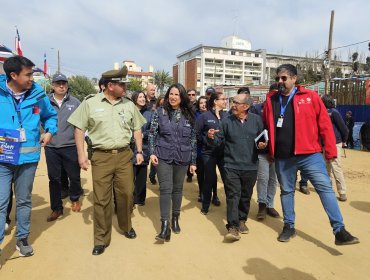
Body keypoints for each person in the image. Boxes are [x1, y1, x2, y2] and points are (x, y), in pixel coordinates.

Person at [262, 63, 359, 245]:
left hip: (310, 155)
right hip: (283, 157)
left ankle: (340, 230)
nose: (280, 81)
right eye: (277, 79)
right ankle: (289, 227)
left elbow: (325, 126)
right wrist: (268, 149)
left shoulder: (311, 97)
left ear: (294, 78)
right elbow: (266, 127)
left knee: (325, 189)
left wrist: (330, 151)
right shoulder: (271, 101)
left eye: (284, 78)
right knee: (287, 191)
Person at [68, 67, 146, 255]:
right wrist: (81, 155)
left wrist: (140, 150)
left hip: (124, 156)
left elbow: (137, 129)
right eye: (122, 84)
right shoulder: (90, 103)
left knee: (127, 194)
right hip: (101, 157)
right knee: (102, 199)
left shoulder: (128, 105)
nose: (125, 87)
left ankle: (126, 226)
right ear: (110, 86)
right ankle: (101, 238)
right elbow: (78, 129)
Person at [0, 56, 58, 257]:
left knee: (24, 201)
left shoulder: (38, 95)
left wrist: (50, 131)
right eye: (28, 74)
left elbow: (50, 116)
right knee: (1, 203)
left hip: (29, 160)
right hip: (3, 160)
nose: (32, 78)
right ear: (13, 75)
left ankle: (22, 239)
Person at [207, 94, 265, 241]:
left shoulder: (257, 120)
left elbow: (262, 139)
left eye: (236, 102)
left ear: (246, 106)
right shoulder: (226, 122)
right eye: (232, 102)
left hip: (250, 166)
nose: (232, 105)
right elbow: (218, 141)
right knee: (233, 195)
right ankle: (232, 227)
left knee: (246, 195)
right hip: (231, 165)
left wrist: (263, 145)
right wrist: (212, 136)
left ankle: (241, 219)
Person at [148, 83, 196, 242]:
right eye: (171, 94)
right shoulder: (160, 112)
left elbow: (193, 139)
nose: (173, 97)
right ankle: (164, 226)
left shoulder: (189, 114)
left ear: (182, 97)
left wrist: (193, 161)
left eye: (177, 94)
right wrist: (153, 152)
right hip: (163, 155)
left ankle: (175, 217)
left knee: (177, 189)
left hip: (182, 157)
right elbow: (152, 133)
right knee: (165, 189)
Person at [45, 73, 83, 222]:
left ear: (67, 85)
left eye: (64, 83)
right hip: (51, 147)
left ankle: (74, 198)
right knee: (53, 179)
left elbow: (81, 124)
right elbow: (39, 118)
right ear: (53, 85)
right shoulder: (45, 101)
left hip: (70, 146)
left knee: (74, 176)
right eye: (58, 83)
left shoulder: (75, 102)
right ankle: (56, 208)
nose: (61, 86)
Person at [196, 91, 228, 214]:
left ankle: (230, 206)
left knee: (227, 180)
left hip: (223, 153)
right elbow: (197, 134)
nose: (225, 101)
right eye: (223, 99)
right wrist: (207, 139)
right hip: (208, 153)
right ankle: (205, 206)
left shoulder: (227, 116)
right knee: (209, 179)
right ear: (215, 101)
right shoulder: (204, 117)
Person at [254, 84, 280, 220]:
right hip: (262, 151)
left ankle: (270, 204)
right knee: (263, 178)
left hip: (277, 152)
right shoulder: (258, 109)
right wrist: (261, 144)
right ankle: (262, 205)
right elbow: (254, 129)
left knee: (272, 179)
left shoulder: (283, 109)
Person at [321, 95, 349, 202]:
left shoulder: (331, 113)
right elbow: (344, 129)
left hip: (331, 143)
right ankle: (339, 192)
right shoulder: (334, 112)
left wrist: (343, 140)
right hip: (332, 142)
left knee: (329, 167)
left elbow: (343, 128)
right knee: (334, 167)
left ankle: (336, 191)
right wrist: (344, 140)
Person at [131, 91, 153, 206]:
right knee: (129, 176)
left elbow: (154, 130)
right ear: (135, 99)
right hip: (129, 148)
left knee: (141, 175)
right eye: (140, 97)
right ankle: (130, 198)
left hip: (143, 148)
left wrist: (144, 134)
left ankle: (140, 198)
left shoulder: (150, 114)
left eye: (144, 97)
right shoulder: (129, 112)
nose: (143, 99)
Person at [195, 96, 208, 202]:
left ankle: (214, 194)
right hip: (199, 147)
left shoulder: (212, 115)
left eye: (205, 102)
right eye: (201, 103)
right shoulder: (195, 116)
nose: (203, 104)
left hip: (211, 149)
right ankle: (201, 192)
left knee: (210, 173)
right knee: (200, 172)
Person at [186, 89, 198, 182]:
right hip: (188, 131)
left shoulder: (199, 105)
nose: (191, 96)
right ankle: (189, 175)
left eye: (193, 94)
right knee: (189, 153)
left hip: (198, 131)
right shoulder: (184, 105)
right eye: (189, 94)